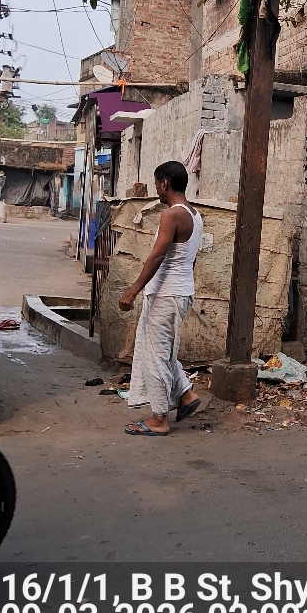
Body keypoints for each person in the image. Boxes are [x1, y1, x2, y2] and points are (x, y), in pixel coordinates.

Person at [118, 161, 203, 436]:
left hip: (167, 294)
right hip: (180, 292)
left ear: (165, 183)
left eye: (157, 184)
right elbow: (189, 260)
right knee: (161, 351)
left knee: (155, 355)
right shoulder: (195, 215)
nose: (156, 189)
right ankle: (186, 394)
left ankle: (159, 419)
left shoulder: (172, 215)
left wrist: (132, 291)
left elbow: (157, 255)